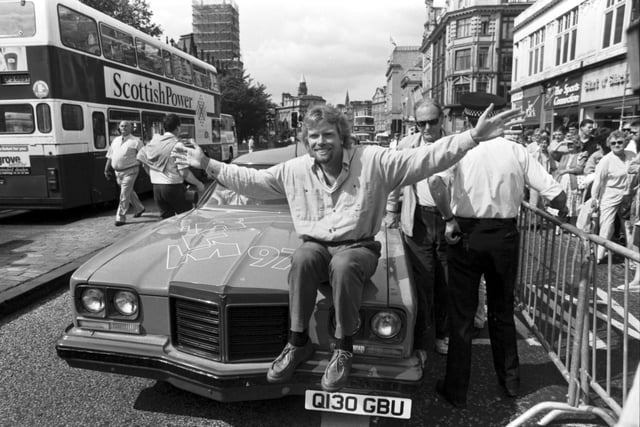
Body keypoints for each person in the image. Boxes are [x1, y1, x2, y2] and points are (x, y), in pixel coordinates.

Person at [171, 103, 521, 392]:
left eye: (327, 135)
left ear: (342, 137)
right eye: (313, 137)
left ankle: (343, 349)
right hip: (318, 246)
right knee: (305, 256)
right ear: (306, 141)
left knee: (343, 265)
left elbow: (427, 158)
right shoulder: (295, 170)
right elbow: (255, 182)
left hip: (358, 248)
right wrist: (208, 165)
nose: (320, 142)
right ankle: (296, 342)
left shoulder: (376, 161)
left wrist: (472, 136)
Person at [430, 92, 568, 408]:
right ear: (499, 118)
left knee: (462, 315)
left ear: (469, 118)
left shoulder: (459, 147)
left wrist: (448, 219)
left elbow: (436, 185)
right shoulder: (517, 151)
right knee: (502, 310)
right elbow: (555, 194)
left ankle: (456, 388)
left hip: (465, 232)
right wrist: (563, 212)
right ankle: (510, 382)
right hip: (504, 235)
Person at [385, 99, 450, 356]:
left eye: (432, 122)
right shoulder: (406, 146)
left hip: (448, 219)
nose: (426, 128)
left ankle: (443, 334)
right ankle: (422, 338)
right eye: (420, 123)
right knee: (422, 282)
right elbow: (394, 180)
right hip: (418, 218)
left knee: (445, 282)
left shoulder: (454, 145)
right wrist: (391, 211)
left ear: (442, 119)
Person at [137, 114, 205, 219]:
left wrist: (152, 175)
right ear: (178, 128)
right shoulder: (177, 145)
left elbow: (142, 159)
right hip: (173, 187)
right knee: (187, 218)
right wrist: (199, 184)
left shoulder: (153, 142)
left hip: (156, 189)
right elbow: (184, 173)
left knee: (167, 223)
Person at [591, 131, 636, 263]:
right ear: (609, 145)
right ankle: (599, 255)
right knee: (607, 225)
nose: (617, 145)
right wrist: (594, 198)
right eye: (613, 143)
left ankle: (632, 257)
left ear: (625, 143)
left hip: (628, 195)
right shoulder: (606, 160)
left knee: (628, 226)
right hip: (610, 195)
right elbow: (598, 180)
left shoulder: (631, 155)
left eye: (620, 142)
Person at [104, 121, 145, 226]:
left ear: (131, 128)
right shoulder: (115, 140)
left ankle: (120, 217)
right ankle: (139, 208)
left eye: (126, 126)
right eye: (122, 126)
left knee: (124, 194)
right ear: (119, 128)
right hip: (118, 173)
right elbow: (110, 155)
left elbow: (143, 155)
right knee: (128, 191)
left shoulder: (136, 141)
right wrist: (106, 168)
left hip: (131, 171)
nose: (124, 128)